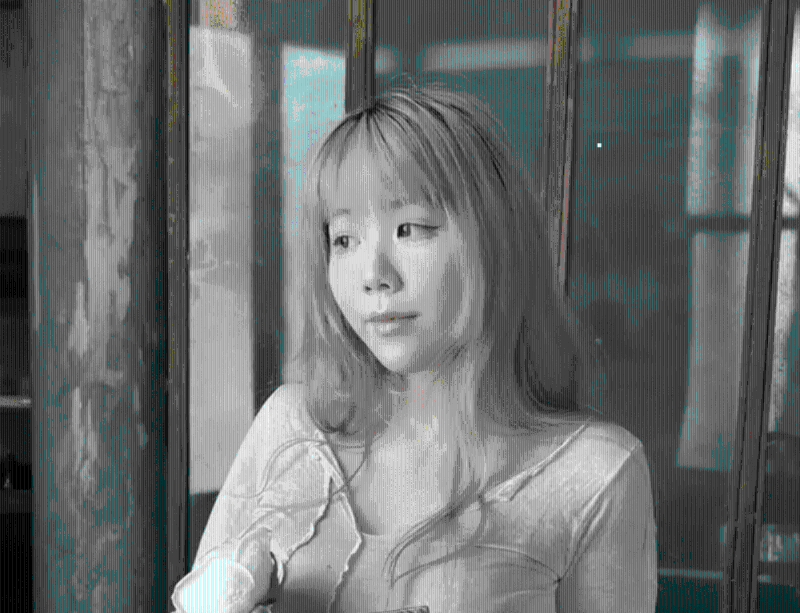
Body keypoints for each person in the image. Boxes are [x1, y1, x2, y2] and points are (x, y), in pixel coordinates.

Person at [174, 81, 658, 613]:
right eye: (344, 240)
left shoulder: (597, 472)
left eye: (410, 229)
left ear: (497, 238)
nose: (373, 275)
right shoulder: (289, 424)